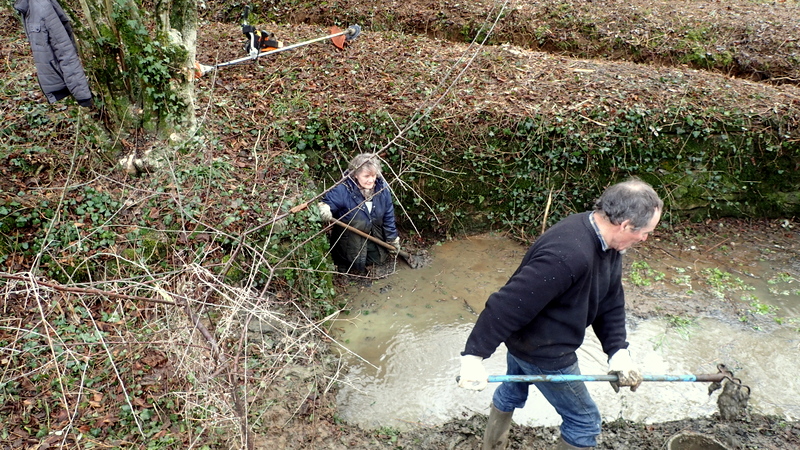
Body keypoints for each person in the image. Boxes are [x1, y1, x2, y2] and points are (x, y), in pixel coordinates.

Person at [458, 179, 663, 450]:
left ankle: (491, 447)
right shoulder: (568, 254)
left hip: (527, 340)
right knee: (584, 421)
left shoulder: (609, 243)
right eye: (646, 231)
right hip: (546, 351)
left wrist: (618, 352)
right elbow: (507, 305)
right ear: (625, 225)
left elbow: (611, 300)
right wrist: (473, 356)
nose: (645, 238)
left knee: (512, 388)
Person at [317, 154, 400, 274]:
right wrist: (324, 208)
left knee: (379, 260)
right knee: (353, 266)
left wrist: (392, 239)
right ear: (355, 174)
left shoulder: (382, 190)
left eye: (373, 175)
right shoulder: (343, 189)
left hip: (373, 235)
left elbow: (388, 217)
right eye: (366, 176)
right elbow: (328, 202)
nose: (371, 180)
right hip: (349, 240)